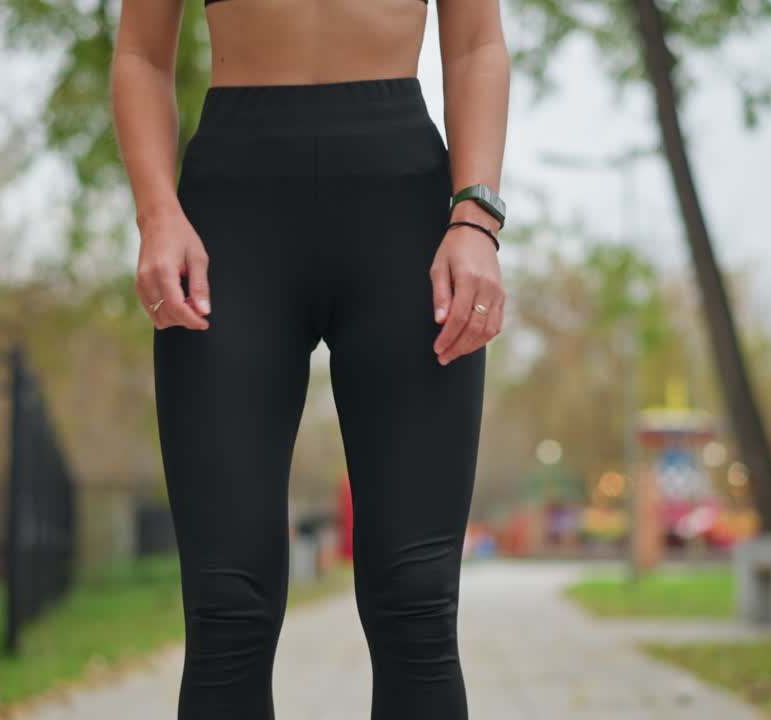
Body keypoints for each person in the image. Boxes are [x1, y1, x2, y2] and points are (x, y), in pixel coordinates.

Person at [110, 1, 509, 717]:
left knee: (416, 601)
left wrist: (476, 217)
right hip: (229, 226)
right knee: (227, 603)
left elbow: (478, 42)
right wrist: (156, 213)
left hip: (405, 222)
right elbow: (140, 53)